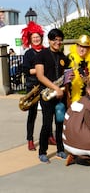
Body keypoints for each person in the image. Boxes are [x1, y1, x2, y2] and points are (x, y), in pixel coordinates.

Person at [34, 29, 69, 163]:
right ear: (49, 40)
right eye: (55, 39)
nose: (57, 42)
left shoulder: (62, 56)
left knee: (60, 124)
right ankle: (42, 151)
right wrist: (55, 88)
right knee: (47, 124)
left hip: (60, 96)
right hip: (47, 95)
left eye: (60, 40)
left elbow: (65, 75)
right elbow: (40, 76)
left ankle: (60, 150)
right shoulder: (41, 55)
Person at [21, 21, 49, 151]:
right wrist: (39, 70)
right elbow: (26, 71)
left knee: (47, 113)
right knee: (32, 114)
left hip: (45, 85)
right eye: (34, 38)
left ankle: (49, 136)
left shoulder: (46, 51)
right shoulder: (28, 53)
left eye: (38, 37)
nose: (36, 39)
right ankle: (30, 139)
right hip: (33, 86)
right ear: (30, 39)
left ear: (41, 37)